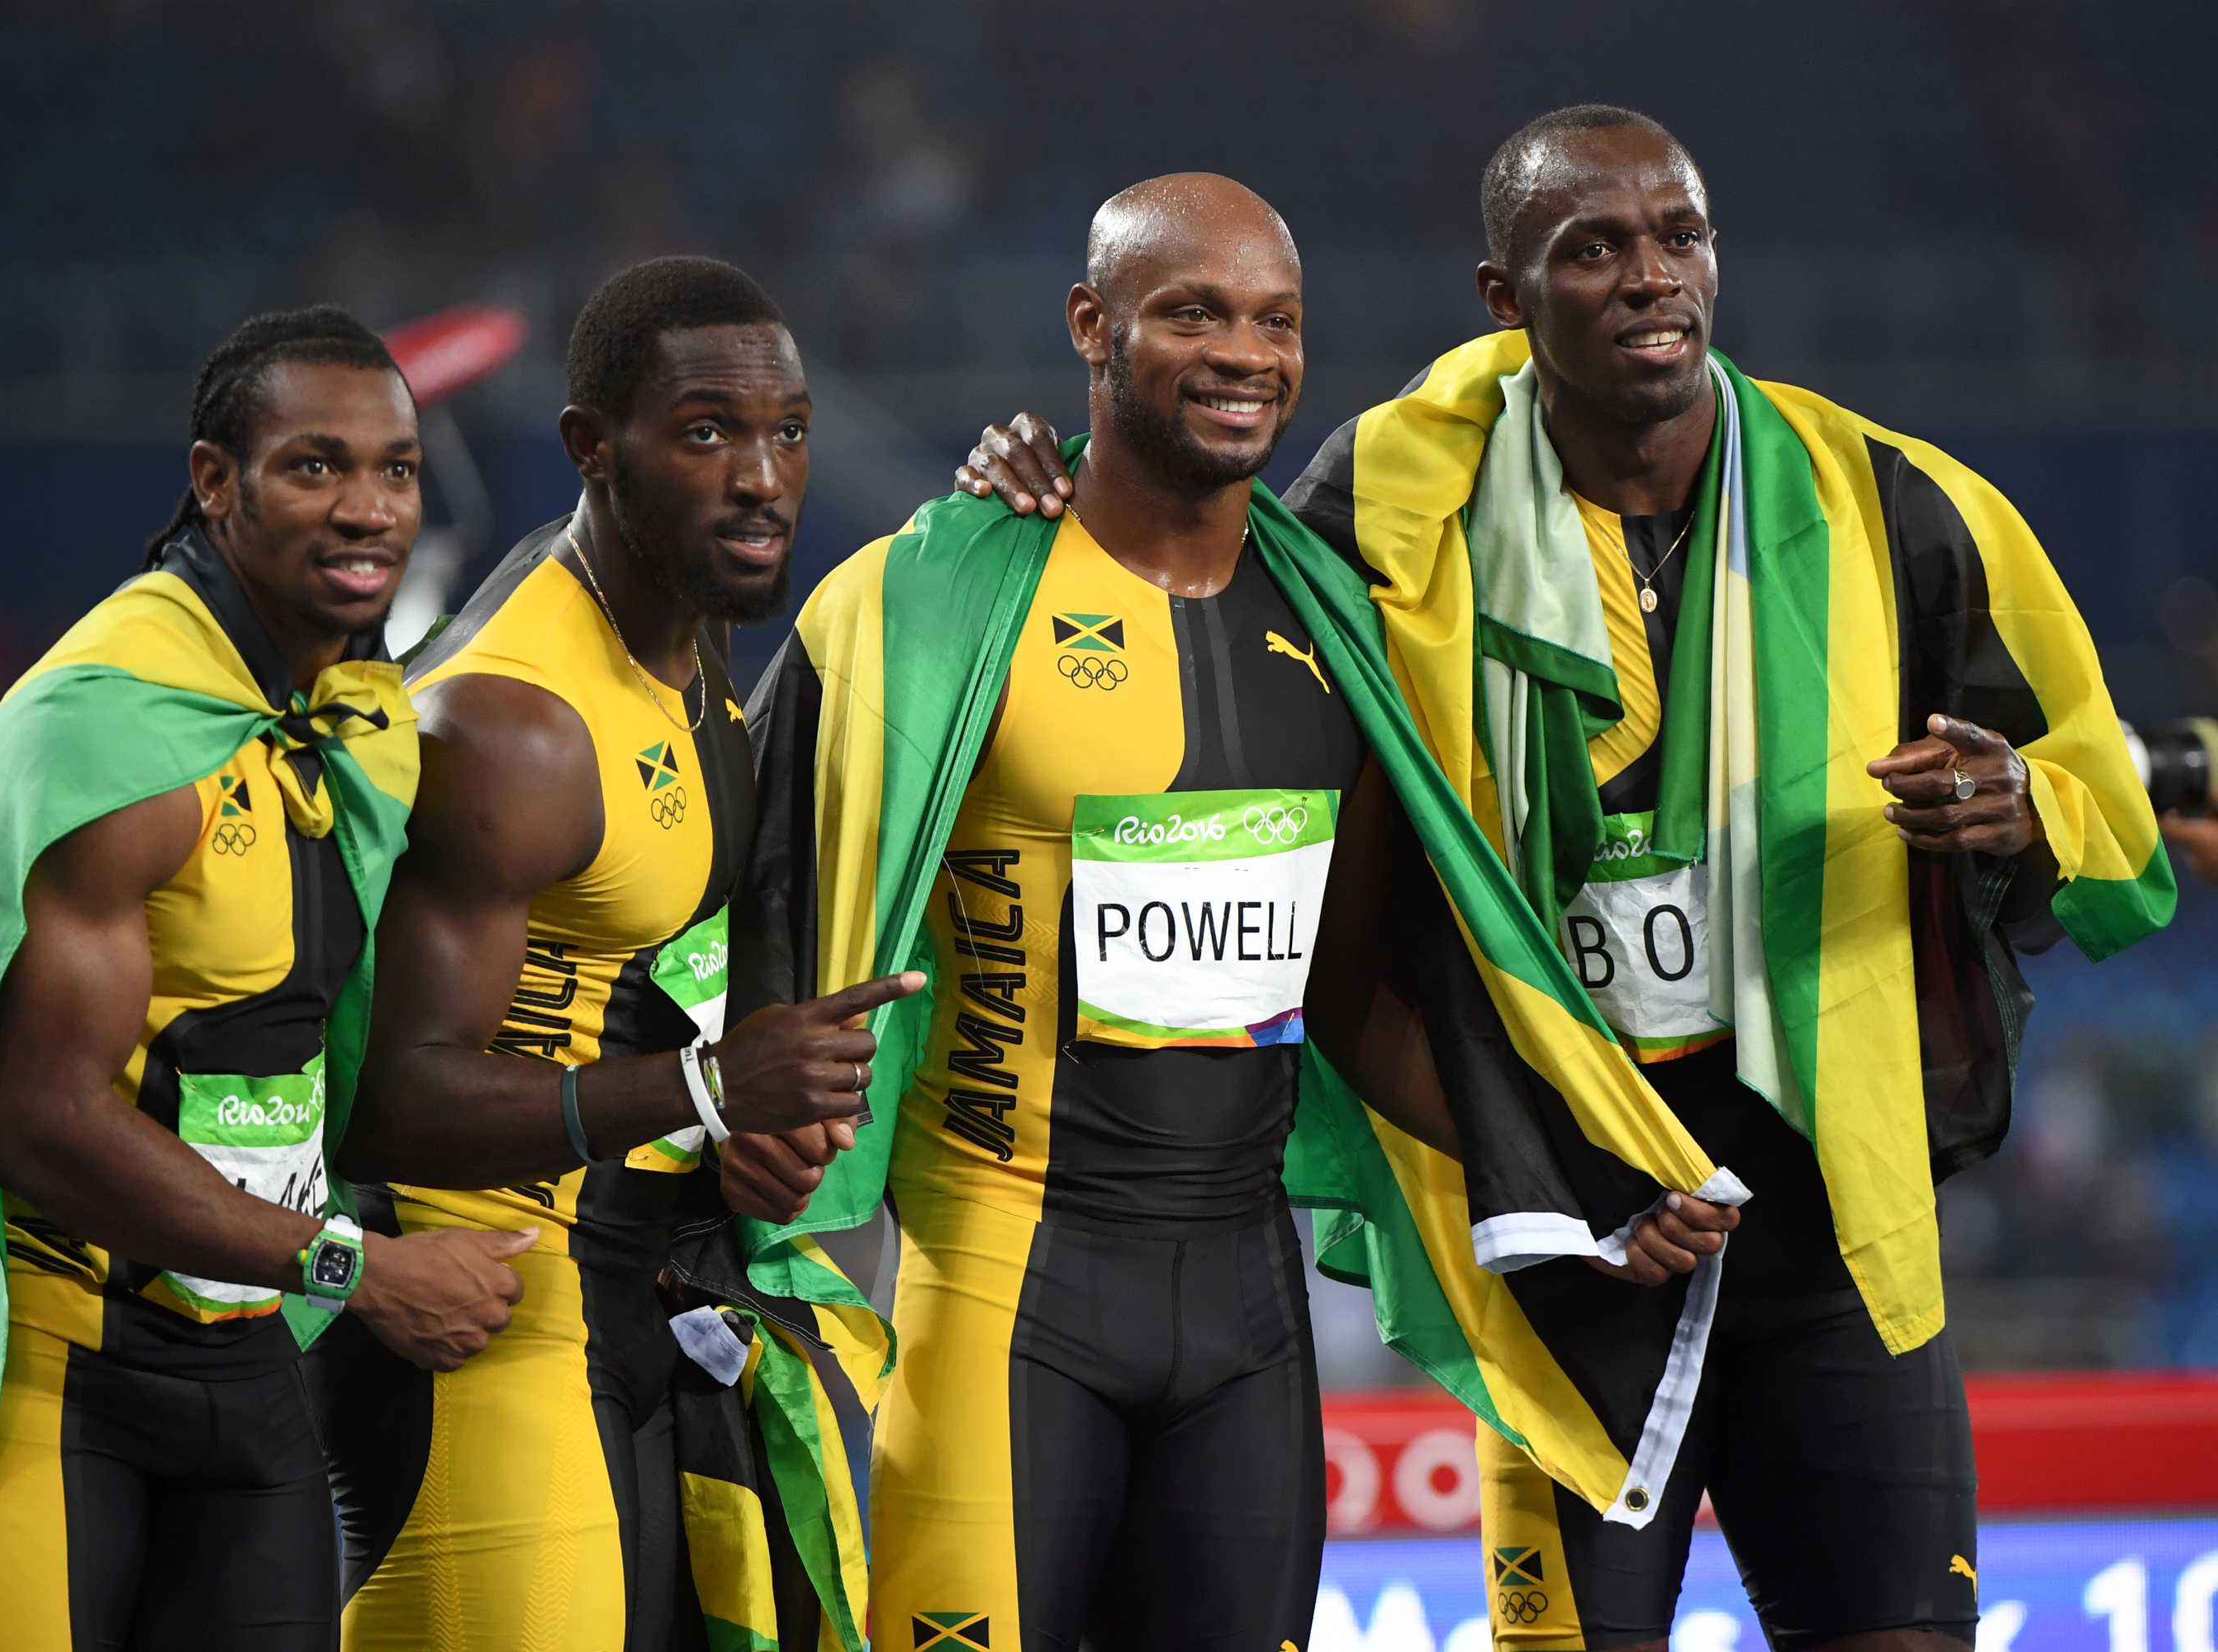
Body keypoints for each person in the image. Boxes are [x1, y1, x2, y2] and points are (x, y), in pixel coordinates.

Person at [956, 107, 2171, 1652]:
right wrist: (1047, 492)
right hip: (1574, 1229)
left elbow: (2095, 795)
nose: (1652, 276)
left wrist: (2022, 813)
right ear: (1504, 297)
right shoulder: (1390, 510)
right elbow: (1190, 558)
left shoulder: (1894, 504)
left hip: (1833, 1221)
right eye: (1592, 249)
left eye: (1682, 237)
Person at [733, 173, 1753, 1652]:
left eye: (1275, 322)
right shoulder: (936, 597)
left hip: (1245, 1316)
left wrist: (1584, 1167)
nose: (1245, 355)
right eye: (1192, 312)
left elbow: (1352, 994)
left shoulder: (1341, 617)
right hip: (1007, 1283)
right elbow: (757, 875)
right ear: (1092, 327)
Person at [0, 307, 537, 1652]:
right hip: (33, 1366)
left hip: (242, 1360)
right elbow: (49, 1126)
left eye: (397, 470)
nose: (369, 509)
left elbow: (578, 619)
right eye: (316, 467)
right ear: (213, 482)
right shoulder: (112, 736)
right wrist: (358, 1269)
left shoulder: (352, 719)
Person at [306, 257, 913, 1652]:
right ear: (595, 447)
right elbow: (395, 1103)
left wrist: (729, 1144)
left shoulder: (684, 658)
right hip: (480, 1310)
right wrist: (707, 1092)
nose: (763, 476)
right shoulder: (516, 725)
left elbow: (615, 980)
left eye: (790, 433)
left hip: (634, 1294)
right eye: (707, 434)